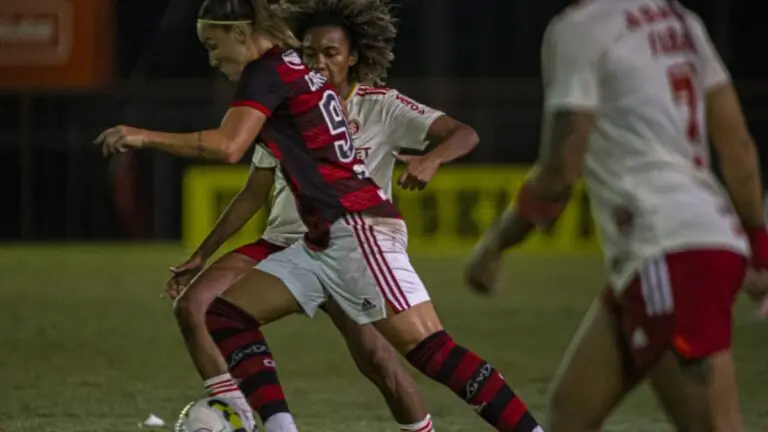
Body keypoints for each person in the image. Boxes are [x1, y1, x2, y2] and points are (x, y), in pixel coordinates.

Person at [95, 0, 542, 431]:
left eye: (213, 45)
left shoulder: (270, 72)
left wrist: (141, 135)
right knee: (226, 314)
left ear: (239, 34)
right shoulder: (294, 69)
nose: (213, 59)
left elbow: (227, 147)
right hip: (318, 238)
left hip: (357, 226)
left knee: (428, 349)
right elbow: (259, 179)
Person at [465, 1, 768, 431]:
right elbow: (737, 146)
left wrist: (493, 246)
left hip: (667, 249)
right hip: (693, 242)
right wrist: (759, 245)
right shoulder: (681, 20)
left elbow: (558, 173)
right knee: (570, 413)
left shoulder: (580, 29)